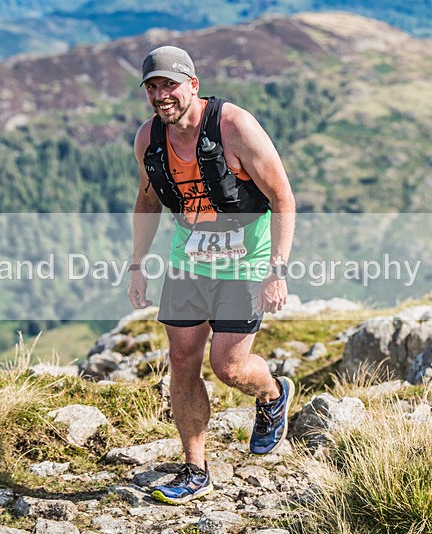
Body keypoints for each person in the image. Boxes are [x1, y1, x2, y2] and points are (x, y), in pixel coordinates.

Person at [127, 45, 296, 505]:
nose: (161, 95)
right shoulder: (148, 139)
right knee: (182, 360)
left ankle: (272, 394)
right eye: (152, 87)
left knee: (229, 367)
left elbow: (282, 197)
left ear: (193, 85)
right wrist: (137, 265)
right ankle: (195, 469)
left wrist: (277, 269)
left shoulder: (234, 126)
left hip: (246, 259)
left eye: (170, 85)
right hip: (189, 259)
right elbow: (147, 200)